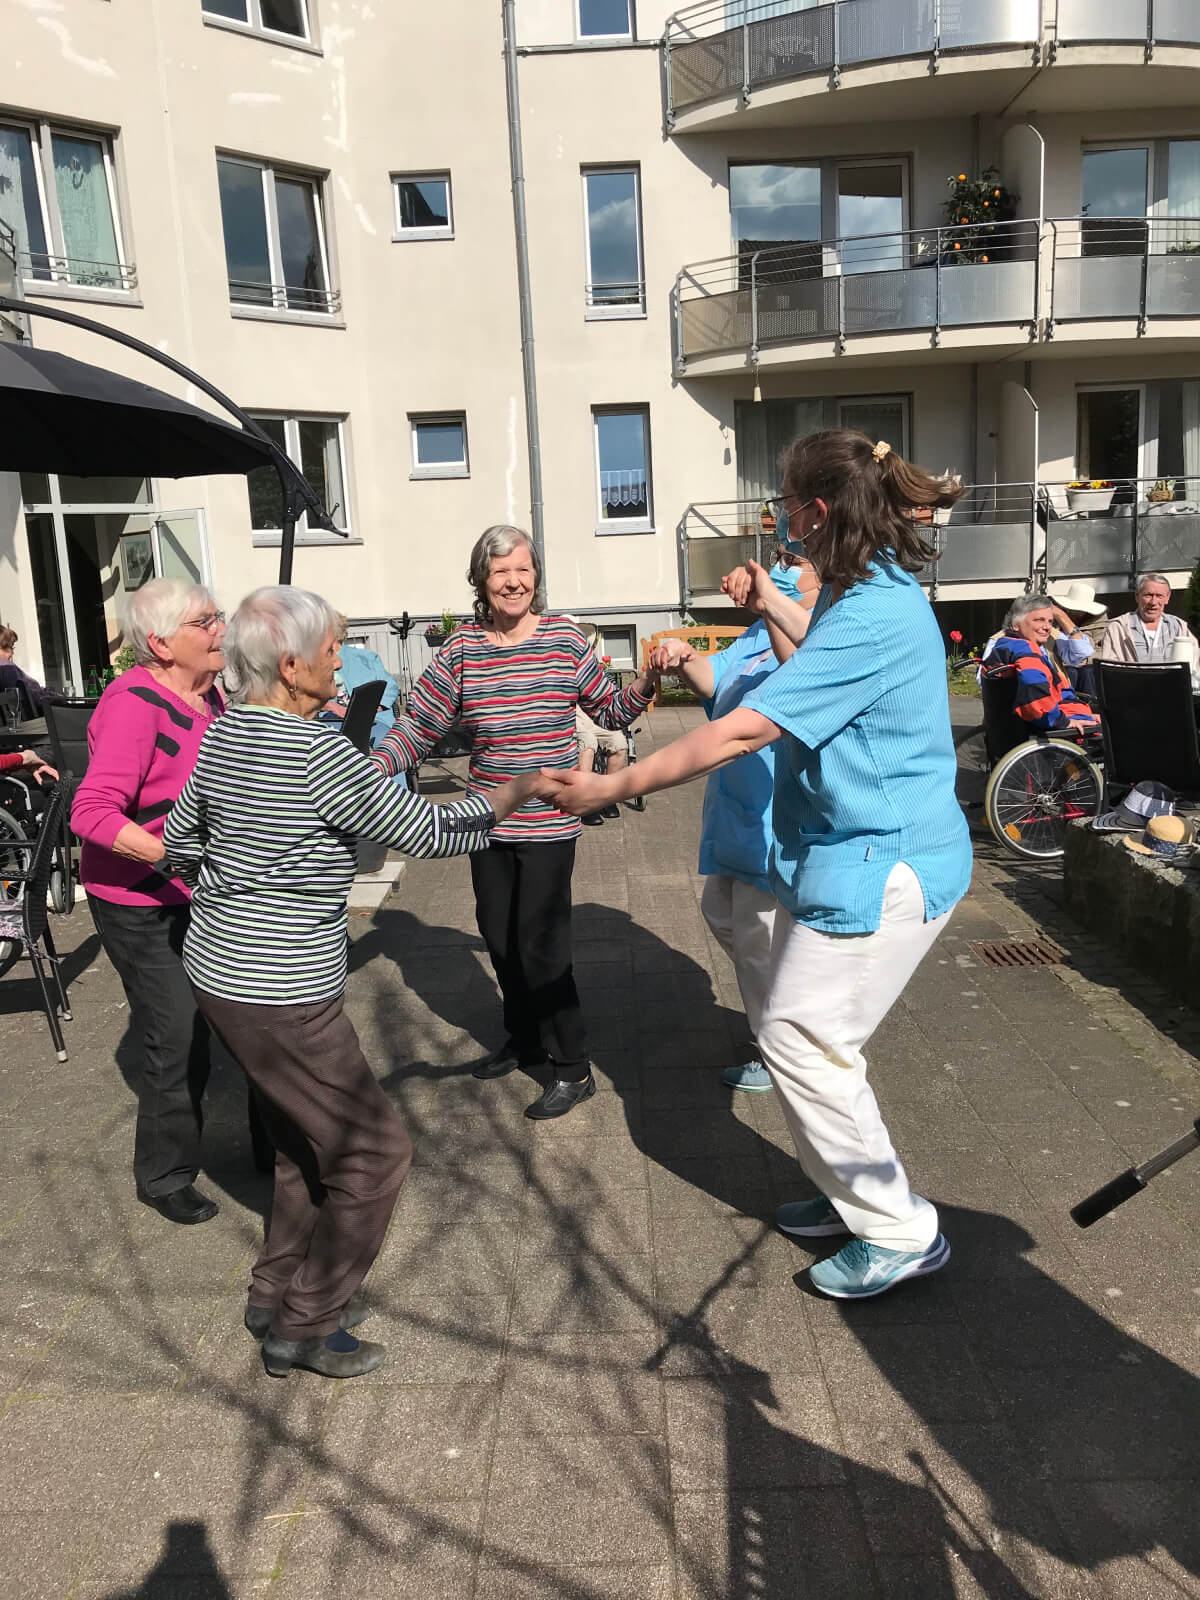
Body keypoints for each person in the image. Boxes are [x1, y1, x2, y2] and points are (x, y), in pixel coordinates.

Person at [544, 431, 973, 1300]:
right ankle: (853, 1195)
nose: (779, 523)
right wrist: (773, 603)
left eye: (784, 506)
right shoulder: (868, 591)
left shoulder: (877, 612)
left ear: (816, 514)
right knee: (804, 1038)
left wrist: (611, 785)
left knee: (801, 1039)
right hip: (854, 855)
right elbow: (813, 640)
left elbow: (745, 726)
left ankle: (899, 1231)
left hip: (890, 865)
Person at [163, 586, 559, 1380]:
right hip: (284, 994)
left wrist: (251, 873)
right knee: (374, 1154)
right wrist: (512, 794)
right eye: (333, 647)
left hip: (218, 974)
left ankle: (275, 1289)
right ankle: (304, 1327)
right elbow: (423, 828)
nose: (341, 659)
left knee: (300, 1142)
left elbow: (178, 846)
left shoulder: (225, 731)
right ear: (291, 664)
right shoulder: (317, 752)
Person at [372, 524, 659, 1120]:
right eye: (501, 572)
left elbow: (609, 707)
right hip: (488, 820)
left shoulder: (564, 640)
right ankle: (524, 1037)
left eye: (523, 570)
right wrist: (369, 768)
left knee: (542, 946)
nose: (514, 582)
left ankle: (572, 1066)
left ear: (536, 577)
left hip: (551, 820)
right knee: (500, 938)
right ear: (481, 580)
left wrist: (650, 683)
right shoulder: (461, 652)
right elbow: (419, 725)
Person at [71, 579, 227, 1226]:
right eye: (204, 622)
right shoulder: (136, 704)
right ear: (161, 644)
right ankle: (163, 1175)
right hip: (138, 902)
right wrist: (171, 855)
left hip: (199, 892)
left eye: (219, 617)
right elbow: (91, 811)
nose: (220, 629)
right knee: (175, 1030)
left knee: (225, 1017)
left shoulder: (210, 694)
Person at [650, 547, 820, 1093]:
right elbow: (713, 680)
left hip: (776, 810)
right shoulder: (751, 635)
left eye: (796, 563)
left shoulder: (823, 626)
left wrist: (772, 603)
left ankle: (782, 1050)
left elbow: (803, 674)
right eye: (780, 561)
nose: (784, 569)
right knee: (722, 916)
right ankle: (786, 1019)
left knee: (755, 936)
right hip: (735, 808)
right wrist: (681, 656)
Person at [986, 595, 1100, 733]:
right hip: (1049, 723)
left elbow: (1083, 653)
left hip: (1032, 718)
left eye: (1050, 621)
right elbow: (1036, 690)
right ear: (1016, 625)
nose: (1047, 627)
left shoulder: (1005, 644)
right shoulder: (1025, 650)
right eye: (1039, 620)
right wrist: (1065, 721)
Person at [572, 622, 629, 827]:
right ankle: (585, 803)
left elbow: (608, 690)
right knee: (587, 743)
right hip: (571, 713)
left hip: (593, 712)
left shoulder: (591, 662)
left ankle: (608, 797)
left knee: (619, 742)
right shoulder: (557, 661)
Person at [317, 612, 400, 749]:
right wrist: (329, 706)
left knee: (388, 748)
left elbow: (390, 687)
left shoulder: (365, 658)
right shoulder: (313, 662)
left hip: (374, 721)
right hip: (331, 721)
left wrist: (373, 708)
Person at [1098, 573, 1198, 664]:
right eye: (1148, 595)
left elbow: (1195, 665)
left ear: (1167, 598)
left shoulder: (1178, 627)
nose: (1153, 602)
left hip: (1171, 683)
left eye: (1159, 596)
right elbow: (1108, 668)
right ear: (1137, 597)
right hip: (1133, 682)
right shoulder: (1118, 628)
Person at [0, 622, 62, 719]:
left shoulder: (6, 669)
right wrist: (54, 696)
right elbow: (32, 697)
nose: (12, 653)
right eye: (8, 648)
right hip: (37, 718)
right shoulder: (6, 669)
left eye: (12, 648)